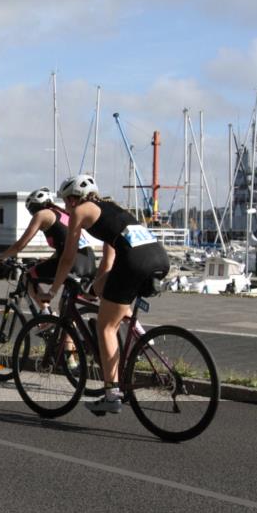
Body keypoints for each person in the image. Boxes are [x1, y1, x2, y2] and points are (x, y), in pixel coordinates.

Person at [42, 174, 169, 415]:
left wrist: (54, 288)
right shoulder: (112, 207)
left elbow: (68, 257)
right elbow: (110, 257)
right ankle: (138, 334)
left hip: (134, 263)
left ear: (72, 199)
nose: (67, 207)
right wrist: (95, 286)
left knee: (105, 327)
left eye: (66, 202)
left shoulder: (81, 211)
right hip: (159, 258)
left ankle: (111, 394)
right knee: (101, 289)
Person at [0, 188, 97, 310]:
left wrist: (0, 257)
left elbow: (20, 245)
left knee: (27, 277)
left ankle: (46, 315)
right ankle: (63, 327)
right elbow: (64, 247)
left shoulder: (42, 214)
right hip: (89, 262)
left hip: (73, 263)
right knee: (66, 312)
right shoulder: (64, 214)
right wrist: (48, 260)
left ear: (33, 207)